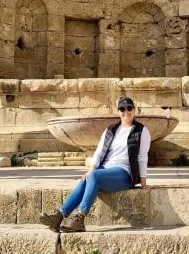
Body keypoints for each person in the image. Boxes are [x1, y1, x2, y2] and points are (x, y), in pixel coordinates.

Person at [40, 96, 151, 233]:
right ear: (118, 111)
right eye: (122, 108)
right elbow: (99, 152)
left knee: (95, 176)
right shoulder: (111, 130)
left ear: (134, 110)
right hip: (106, 171)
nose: (126, 111)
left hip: (125, 173)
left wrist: (143, 183)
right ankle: (59, 215)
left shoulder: (142, 131)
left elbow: (142, 157)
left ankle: (80, 217)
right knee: (87, 177)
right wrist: (91, 169)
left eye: (129, 108)